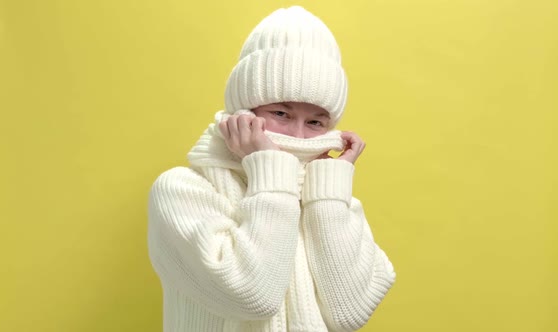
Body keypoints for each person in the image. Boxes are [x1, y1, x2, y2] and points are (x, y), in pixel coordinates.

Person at [147, 6, 396, 332]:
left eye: (315, 122)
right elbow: (251, 296)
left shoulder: (329, 199)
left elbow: (348, 314)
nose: (296, 135)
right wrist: (269, 167)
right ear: (243, 112)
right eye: (280, 112)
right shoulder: (181, 191)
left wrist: (329, 192)